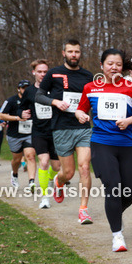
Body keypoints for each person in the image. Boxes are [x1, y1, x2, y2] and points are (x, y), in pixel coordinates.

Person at [74, 49, 132, 252]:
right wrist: (80, 115)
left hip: (128, 144)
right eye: (109, 64)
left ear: (122, 67)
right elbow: (81, 108)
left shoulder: (130, 87)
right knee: (113, 188)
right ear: (101, 66)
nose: (114, 68)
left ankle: (115, 215)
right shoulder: (90, 88)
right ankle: (117, 236)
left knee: (130, 193)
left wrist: (128, 120)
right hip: (102, 143)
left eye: (117, 64)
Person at [37, 40, 95, 224]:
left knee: (85, 168)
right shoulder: (53, 73)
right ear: (64, 53)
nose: (74, 55)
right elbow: (39, 95)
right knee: (68, 173)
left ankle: (83, 209)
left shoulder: (88, 75)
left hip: (83, 127)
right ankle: (59, 182)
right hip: (61, 127)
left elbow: (93, 98)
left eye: (77, 51)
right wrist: (55, 102)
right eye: (70, 51)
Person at [21, 59, 62, 209]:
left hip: (56, 131)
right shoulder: (29, 91)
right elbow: (22, 108)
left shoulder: (55, 89)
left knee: (56, 167)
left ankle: (51, 180)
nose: (43, 74)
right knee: (43, 162)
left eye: (45, 72)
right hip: (39, 132)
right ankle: (45, 197)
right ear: (34, 73)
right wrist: (22, 113)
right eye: (40, 72)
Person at [0, 80, 37, 191]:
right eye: (23, 88)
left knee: (30, 156)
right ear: (18, 89)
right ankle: (15, 174)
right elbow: (1, 115)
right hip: (14, 134)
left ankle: (31, 182)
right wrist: (17, 118)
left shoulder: (34, 100)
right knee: (16, 160)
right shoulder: (11, 100)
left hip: (29, 133)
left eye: (27, 87)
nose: (25, 90)